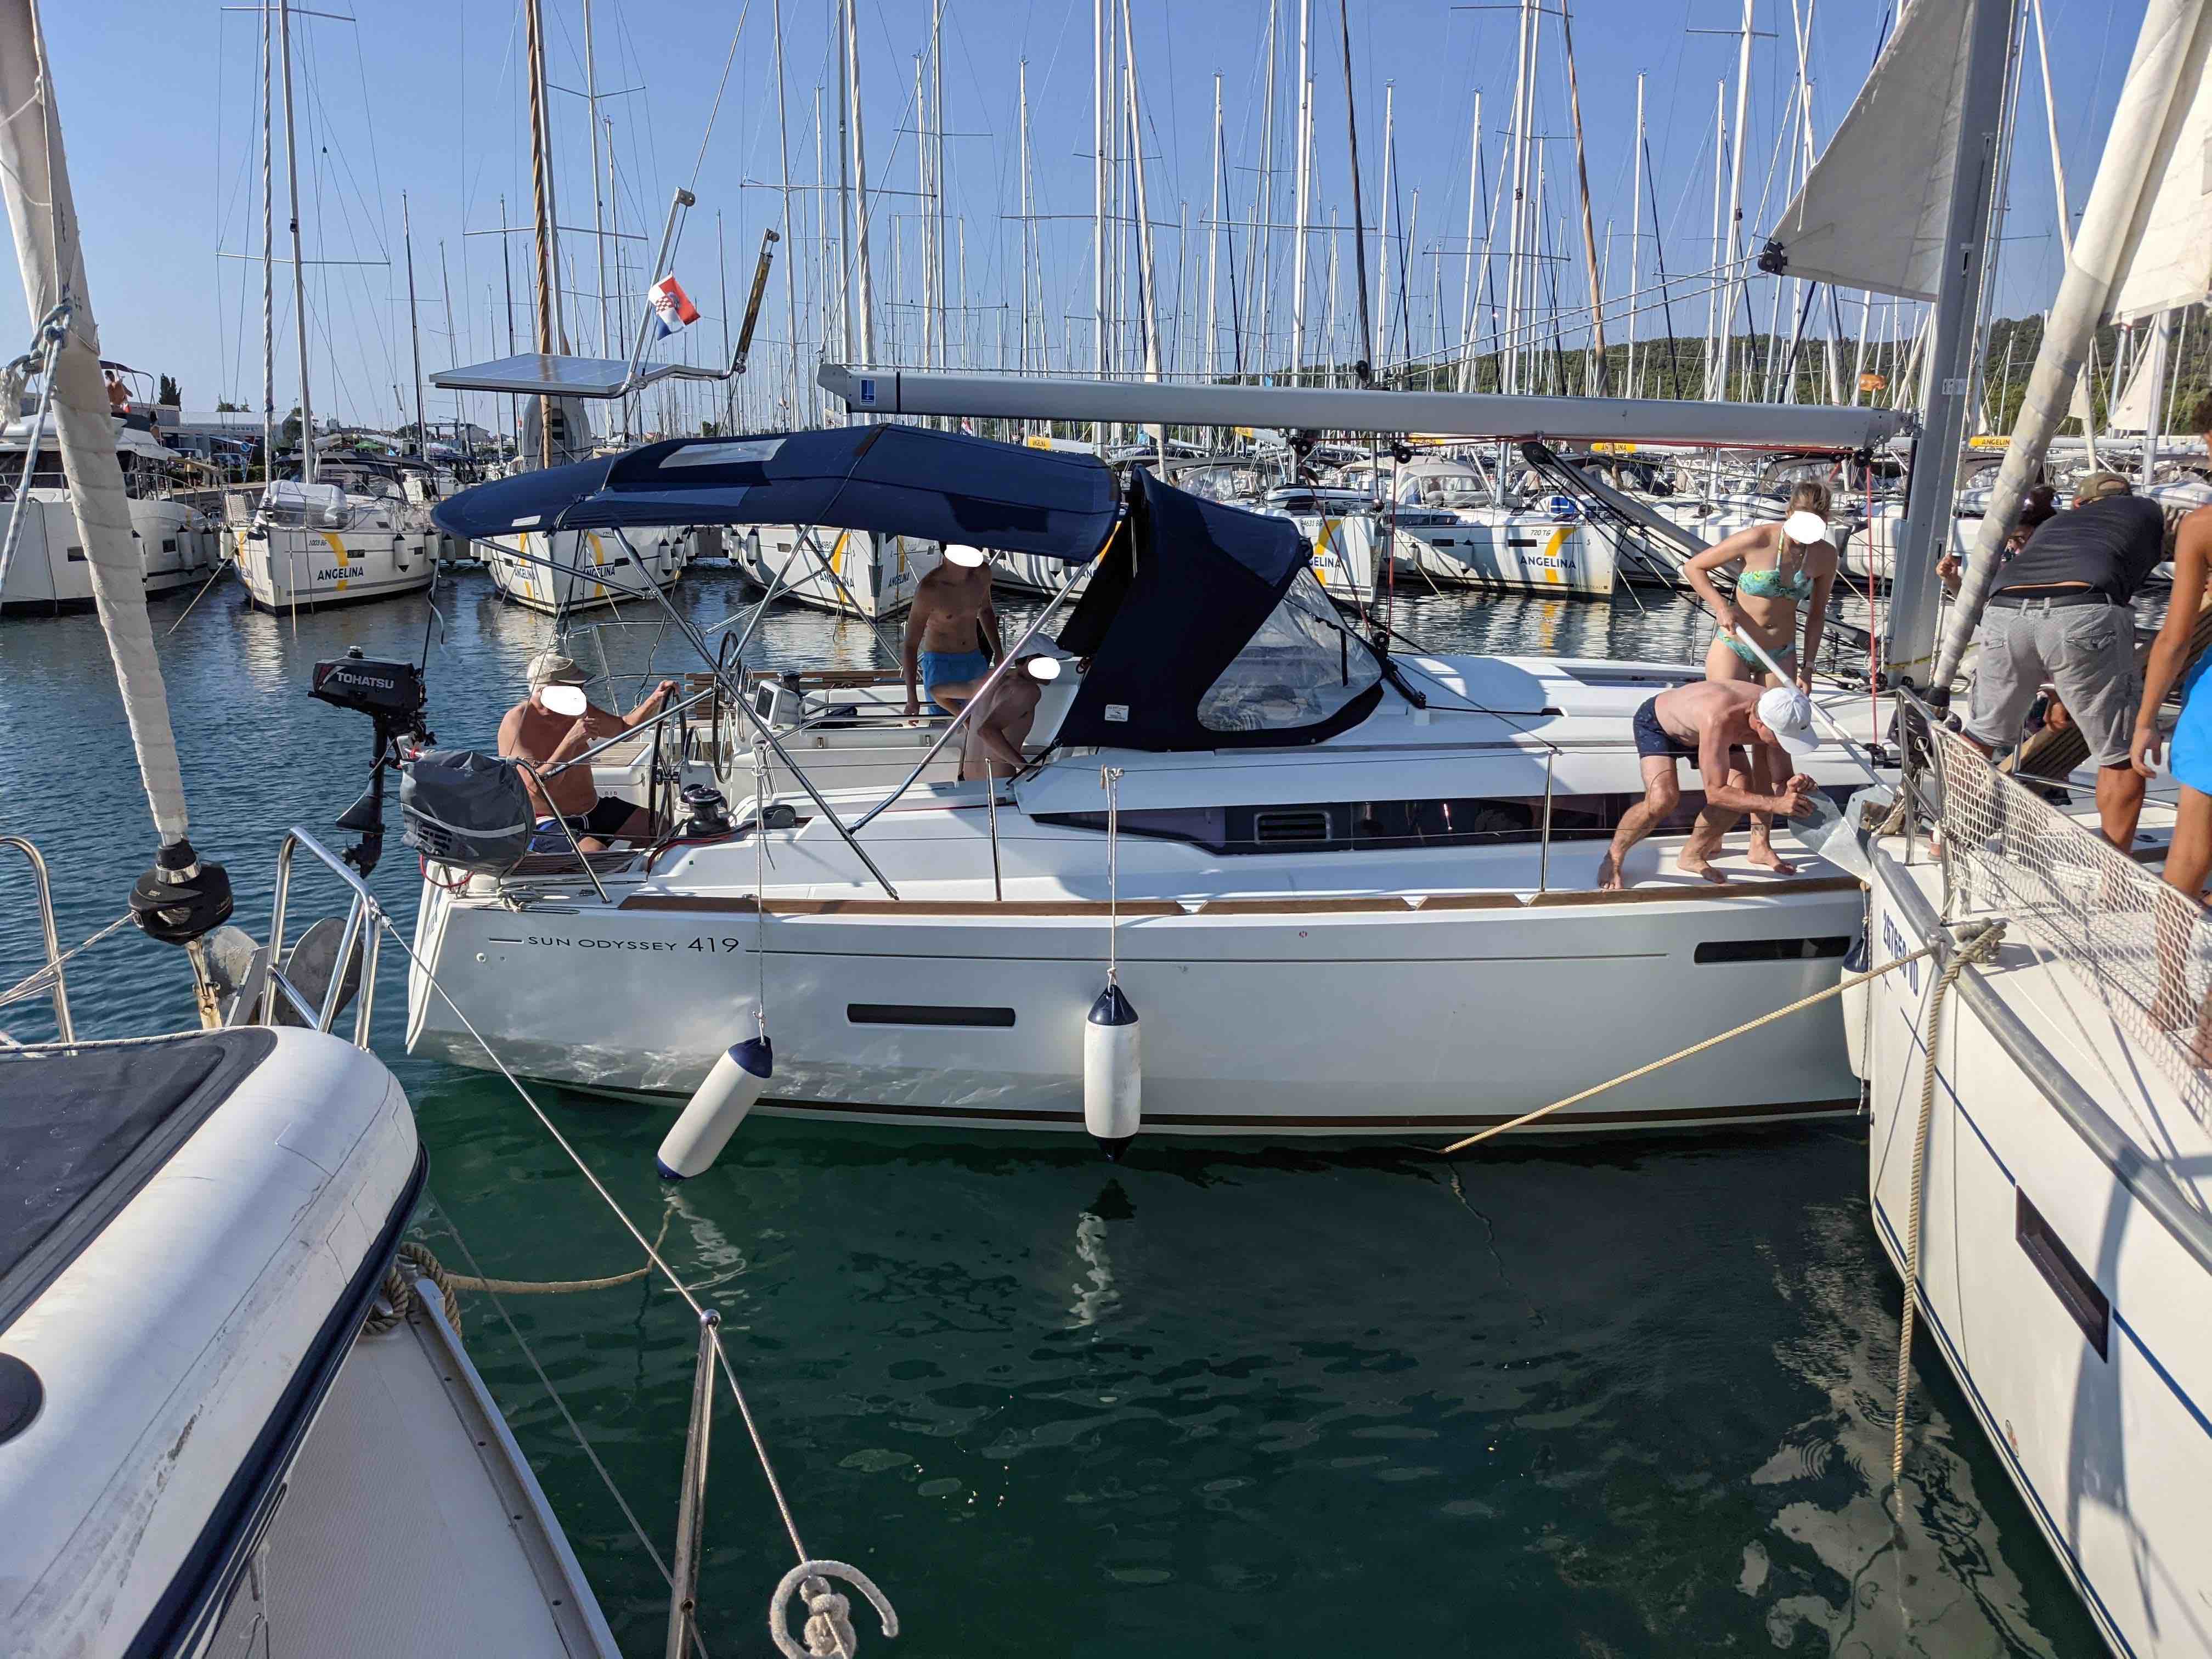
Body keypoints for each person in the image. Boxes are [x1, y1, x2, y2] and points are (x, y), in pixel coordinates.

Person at [1962, 470, 2166, 849]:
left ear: (2078, 503)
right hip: (2084, 606)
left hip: (2004, 610)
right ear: (2126, 497)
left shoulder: (2054, 525)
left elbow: (2044, 622)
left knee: (1980, 737)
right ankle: (2115, 875)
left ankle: (1948, 835)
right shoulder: (2146, 510)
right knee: (2120, 755)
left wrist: (2060, 694)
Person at [1681, 479, 1837, 872]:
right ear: (1789, 514)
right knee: (1729, 741)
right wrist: (1721, 606)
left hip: (1781, 654)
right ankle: (1714, 833)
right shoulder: (1758, 539)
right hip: (1735, 645)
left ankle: (1760, 843)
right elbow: (1694, 567)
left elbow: (1817, 616)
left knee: (1772, 747)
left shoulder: (1825, 555)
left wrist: (1808, 668)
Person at [1598, 680, 1821, 890]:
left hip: (1711, 733)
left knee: (1741, 791)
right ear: (1760, 724)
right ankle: (1614, 857)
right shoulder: (1721, 718)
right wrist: (1776, 805)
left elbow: (1781, 781)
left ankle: (1692, 855)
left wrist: (1793, 788)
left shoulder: (1779, 711)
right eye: (1782, 738)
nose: (1784, 743)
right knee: (1662, 800)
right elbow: (1716, 793)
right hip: (1659, 726)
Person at [2131, 391, 2212, 907]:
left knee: (2190, 848)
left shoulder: (2202, 527)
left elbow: (2176, 637)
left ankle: (2170, 963)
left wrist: (2146, 720)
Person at [497, 652, 677, 851]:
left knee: (661, 828)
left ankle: (630, 867)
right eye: (573, 687)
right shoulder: (517, 722)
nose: (580, 692)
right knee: (595, 852)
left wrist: (654, 700)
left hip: (593, 809)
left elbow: (623, 729)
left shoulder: (575, 708)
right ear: (544, 690)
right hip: (547, 820)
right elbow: (535, 789)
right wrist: (571, 741)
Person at [902, 544, 1002, 716]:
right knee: (944, 724)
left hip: (975, 660)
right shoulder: (929, 589)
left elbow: (985, 610)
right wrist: (912, 698)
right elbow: (910, 645)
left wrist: (999, 654)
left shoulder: (982, 574)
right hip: (941, 667)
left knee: (980, 720)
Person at [958, 655, 1060, 782]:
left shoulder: (989, 681)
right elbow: (986, 731)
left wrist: (965, 720)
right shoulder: (1029, 690)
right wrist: (1027, 769)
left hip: (968, 779)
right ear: (1030, 661)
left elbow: (938, 692)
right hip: (999, 783)